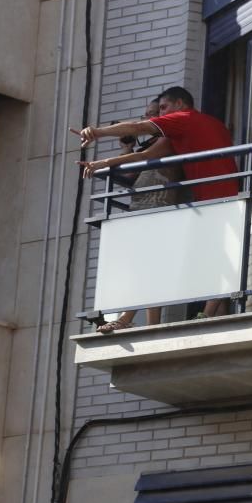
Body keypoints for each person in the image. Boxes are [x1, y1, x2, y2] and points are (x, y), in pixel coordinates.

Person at [73, 86, 240, 326]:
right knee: (213, 255)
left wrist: (96, 132)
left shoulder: (185, 120)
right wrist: (104, 162)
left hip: (207, 201)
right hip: (219, 197)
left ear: (180, 105)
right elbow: (145, 156)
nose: (160, 116)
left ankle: (200, 315)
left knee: (174, 259)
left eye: (163, 108)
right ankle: (214, 316)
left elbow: (139, 130)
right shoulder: (205, 126)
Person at [93, 98, 185, 333]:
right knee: (144, 267)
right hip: (141, 210)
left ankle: (127, 318)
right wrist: (127, 148)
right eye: (145, 115)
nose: (147, 120)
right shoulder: (150, 144)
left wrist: (108, 160)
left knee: (148, 266)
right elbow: (131, 176)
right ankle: (148, 324)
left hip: (157, 208)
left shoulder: (168, 140)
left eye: (153, 114)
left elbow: (146, 160)